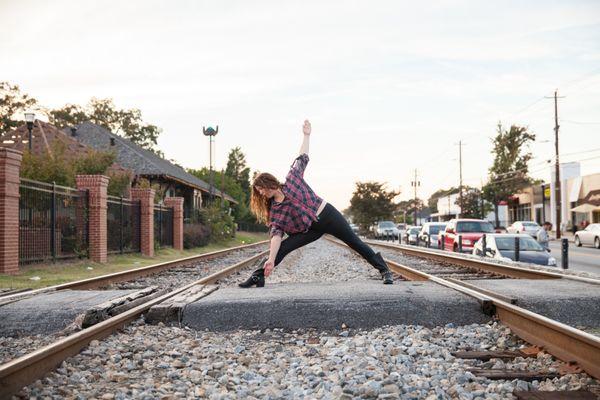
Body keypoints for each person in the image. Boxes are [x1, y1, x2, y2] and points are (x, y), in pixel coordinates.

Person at [239, 120, 394, 288]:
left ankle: (384, 270)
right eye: (259, 191)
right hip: (309, 229)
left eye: (261, 189)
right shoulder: (275, 210)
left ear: (269, 182)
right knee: (283, 247)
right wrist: (270, 259)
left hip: (327, 215)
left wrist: (306, 136)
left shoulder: (292, 179)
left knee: (354, 242)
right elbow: (276, 235)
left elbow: (302, 158)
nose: (261, 193)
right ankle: (258, 276)